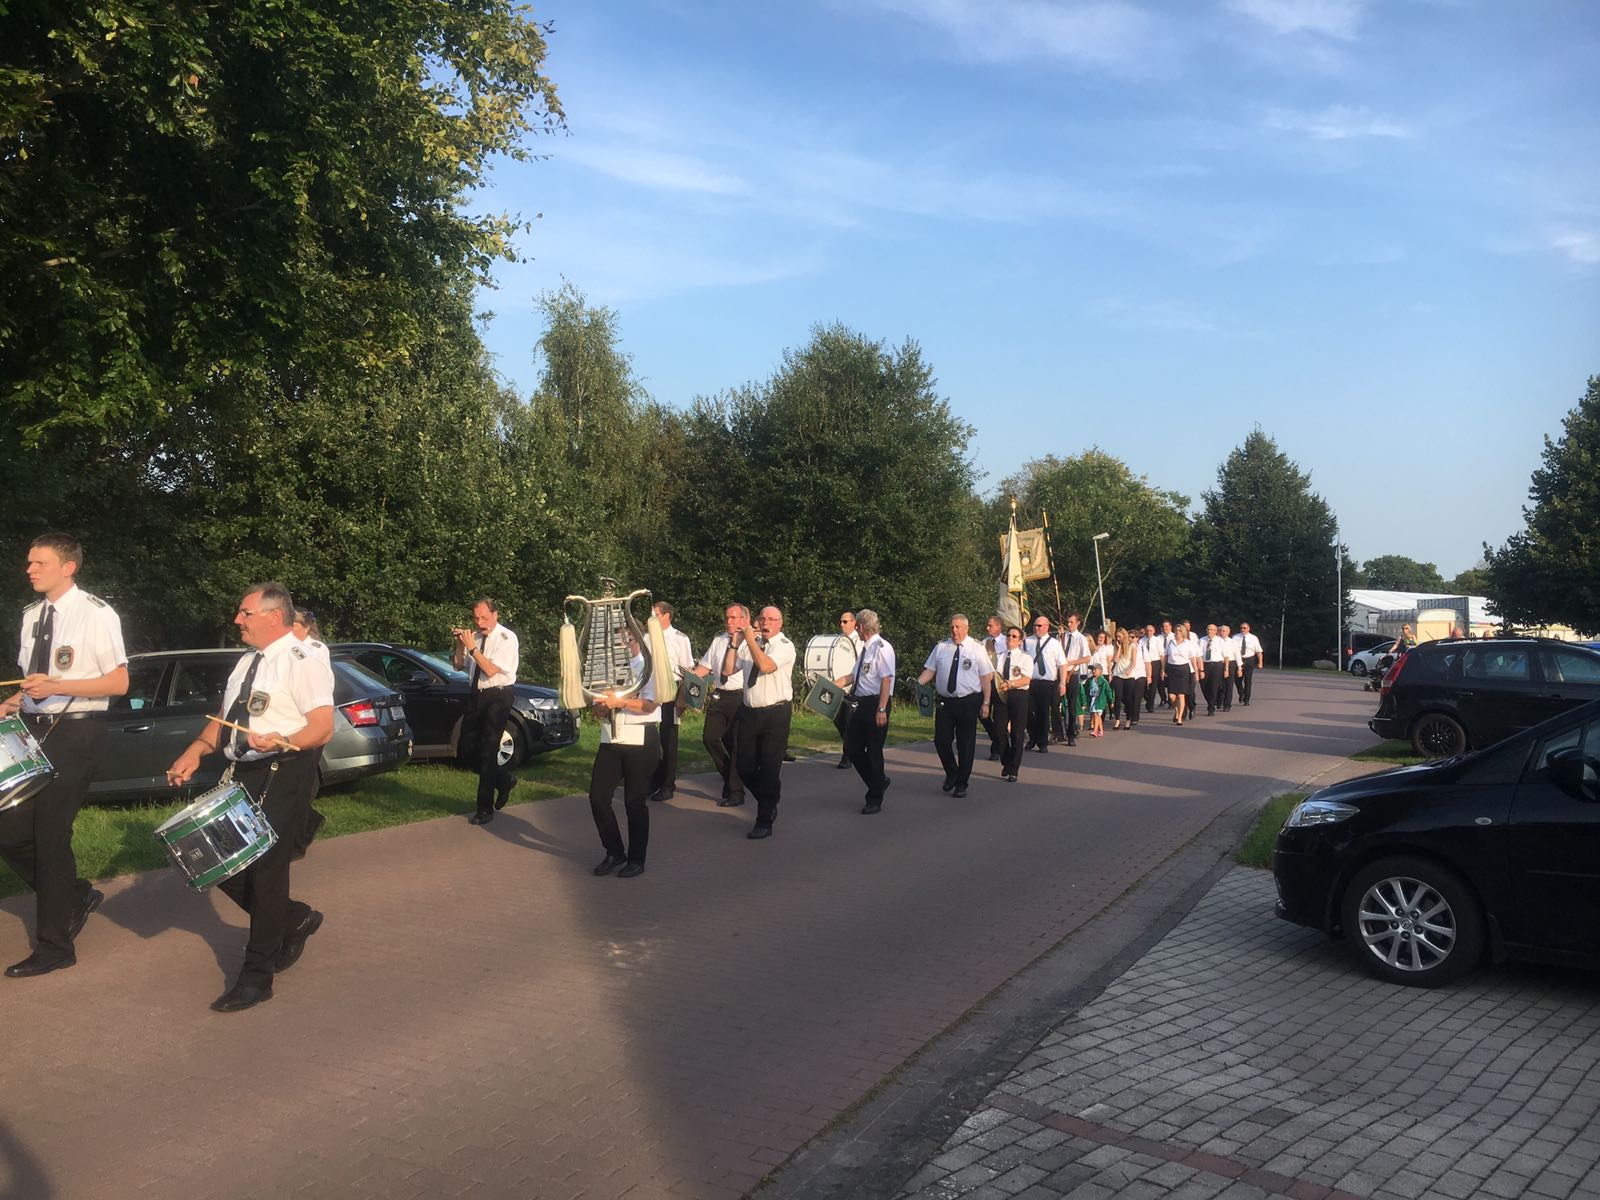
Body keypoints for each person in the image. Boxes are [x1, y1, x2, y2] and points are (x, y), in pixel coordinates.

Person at [165, 582, 331, 1012]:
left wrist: (282, 739)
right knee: (213, 861)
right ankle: (292, 918)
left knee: (266, 874)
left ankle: (257, 977)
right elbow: (226, 718)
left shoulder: (303, 660)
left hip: (284, 770)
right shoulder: (246, 661)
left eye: (245, 613)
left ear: (274, 616)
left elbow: (322, 727)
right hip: (243, 772)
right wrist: (195, 750)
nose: (237, 620)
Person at [0, 533, 128, 978]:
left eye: (39, 563)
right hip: (33, 730)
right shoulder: (31, 616)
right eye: (29, 562)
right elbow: (33, 685)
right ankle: (72, 895)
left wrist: (57, 686)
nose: (29, 570)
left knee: (51, 836)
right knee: (9, 831)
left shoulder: (96, 613)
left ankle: (55, 947)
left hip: (76, 732)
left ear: (67, 567)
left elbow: (118, 683)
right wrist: (12, 702)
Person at [589, 631, 660, 878]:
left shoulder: (649, 667)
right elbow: (597, 710)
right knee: (598, 797)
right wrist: (600, 707)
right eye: (616, 642)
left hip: (641, 738)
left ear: (637, 641)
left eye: (626, 640)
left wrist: (621, 702)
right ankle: (614, 851)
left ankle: (637, 858)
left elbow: (650, 705)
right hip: (612, 737)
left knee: (634, 801)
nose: (621, 646)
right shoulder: (608, 670)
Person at [451, 597, 520, 825]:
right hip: (476, 696)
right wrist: (461, 644)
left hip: (498, 696)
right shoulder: (476, 638)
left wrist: (472, 647)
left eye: (484, 618)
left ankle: (484, 809)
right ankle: (504, 779)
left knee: (489, 750)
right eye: (476, 618)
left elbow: (490, 670)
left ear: (495, 614)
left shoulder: (506, 638)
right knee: (467, 750)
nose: (480, 623)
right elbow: (458, 665)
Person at [918, 614, 994, 799]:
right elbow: (930, 670)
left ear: (966, 628)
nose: (954, 630)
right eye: (952, 627)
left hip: (968, 700)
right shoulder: (941, 647)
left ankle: (961, 783)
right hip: (945, 701)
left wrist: (986, 702)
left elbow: (986, 677)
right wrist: (919, 683)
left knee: (965, 744)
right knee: (941, 740)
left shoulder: (976, 648)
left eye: (958, 627)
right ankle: (952, 772)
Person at [735, 606, 795, 839]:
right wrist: (735, 642)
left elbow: (766, 666)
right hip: (749, 712)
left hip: (775, 713)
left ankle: (764, 821)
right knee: (744, 767)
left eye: (771, 619)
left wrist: (750, 640)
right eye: (762, 618)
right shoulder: (752, 643)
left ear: (780, 623)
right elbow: (728, 670)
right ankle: (770, 798)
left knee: (769, 769)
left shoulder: (784, 646)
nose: (766, 622)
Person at [687, 603, 750, 808]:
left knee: (736, 744)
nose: (729, 621)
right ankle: (730, 778)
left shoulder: (750, 641)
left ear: (743, 619)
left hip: (740, 696)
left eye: (733, 618)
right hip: (719, 695)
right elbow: (705, 667)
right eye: (727, 618)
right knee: (710, 738)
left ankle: (736, 791)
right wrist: (688, 678)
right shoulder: (718, 640)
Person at [838, 609, 894, 813]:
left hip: (876, 703)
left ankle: (874, 799)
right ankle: (878, 781)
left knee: (874, 750)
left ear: (861, 627)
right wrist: (833, 685)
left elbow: (886, 679)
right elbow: (853, 676)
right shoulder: (865, 649)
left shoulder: (882, 648)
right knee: (853, 748)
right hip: (861, 703)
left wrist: (881, 709)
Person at [289, 606, 330, 858]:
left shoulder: (315, 650)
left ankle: (299, 838)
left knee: (301, 785)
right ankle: (301, 830)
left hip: (310, 724)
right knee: (295, 786)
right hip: (292, 724)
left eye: (293, 624)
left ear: (305, 628)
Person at [647, 601, 694, 803]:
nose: (651, 618)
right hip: (650, 687)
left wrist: (683, 698)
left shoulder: (679, 638)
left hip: (671, 687)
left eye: (655, 614)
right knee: (649, 737)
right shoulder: (647, 637)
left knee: (668, 737)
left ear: (666, 616)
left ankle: (668, 784)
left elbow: (688, 669)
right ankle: (653, 778)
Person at [991, 626, 1033, 782]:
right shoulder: (999, 656)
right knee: (999, 730)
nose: (1010, 638)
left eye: (1014, 636)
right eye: (1008, 635)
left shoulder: (1025, 658)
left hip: (1018, 695)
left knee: (1017, 733)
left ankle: (1014, 768)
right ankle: (1006, 760)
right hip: (1001, 695)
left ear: (1020, 641)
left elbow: (1026, 679)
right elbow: (993, 675)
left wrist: (1010, 683)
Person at [1022, 615, 1067, 752]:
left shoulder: (1054, 643)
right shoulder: (1027, 642)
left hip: (1047, 683)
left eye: (1039, 625)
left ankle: (1042, 742)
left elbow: (1062, 664)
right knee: (1027, 711)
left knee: (1043, 713)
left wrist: (1062, 683)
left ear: (1047, 627)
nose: (1036, 628)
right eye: (1035, 625)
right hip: (1030, 681)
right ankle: (1033, 737)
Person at [832, 610, 863, 769]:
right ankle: (853, 747)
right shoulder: (839, 641)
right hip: (840, 686)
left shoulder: (860, 642)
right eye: (841, 621)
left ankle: (847, 755)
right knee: (837, 719)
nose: (841, 624)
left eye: (845, 621)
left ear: (854, 623)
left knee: (849, 721)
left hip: (854, 687)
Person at [1057, 614, 1093, 747]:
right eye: (1068, 622)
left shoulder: (1080, 638)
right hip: (1059, 673)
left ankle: (1071, 734)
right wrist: (1060, 636)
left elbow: (1087, 657)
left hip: (1072, 673)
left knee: (1072, 705)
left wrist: (1071, 662)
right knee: (1057, 704)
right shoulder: (1062, 636)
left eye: (1071, 622)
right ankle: (1059, 732)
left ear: (1077, 623)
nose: (1069, 624)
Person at [1110, 628, 1147, 730]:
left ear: (1124, 636)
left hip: (1129, 675)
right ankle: (1117, 720)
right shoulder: (1116, 646)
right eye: (1116, 637)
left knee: (1128, 698)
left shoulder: (1132, 646)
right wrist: (1119, 648)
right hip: (1118, 674)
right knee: (1118, 697)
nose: (1118, 639)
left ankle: (1128, 719)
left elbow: (1133, 662)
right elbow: (1115, 660)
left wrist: (1129, 670)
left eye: (1119, 636)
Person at [980, 615, 1006, 760]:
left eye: (990, 625)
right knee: (982, 713)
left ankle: (996, 749)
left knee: (998, 717)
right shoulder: (984, 643)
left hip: (1000, 683)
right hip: (986, 682)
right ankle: (996, 737)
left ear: (998, 627)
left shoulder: (1006, 641)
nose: (987, 628)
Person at [1163, 623, 1196, 725]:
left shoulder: (1188, 643)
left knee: (1181, 694)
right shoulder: (1170, 642)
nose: (1178, 632)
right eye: (1176, 630)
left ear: (1183, 632)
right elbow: (1165, 656)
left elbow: (1192, 658)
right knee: (1172, 695)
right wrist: (1163, 669)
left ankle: (1180, 718)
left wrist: (1196, 671)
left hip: (1183, 669)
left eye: (1180, 631)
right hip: (1172, 669)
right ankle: (1176, 711)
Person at [1200, 623, 1228, 716]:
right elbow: (1198, 655)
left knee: (1214, 686)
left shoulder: (1220, 641)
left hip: (1216, 665)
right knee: (1204, 686)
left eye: (1212, 630)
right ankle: (1210, 701)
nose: (1209, 631)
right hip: (1205, 664)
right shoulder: (1202, 640)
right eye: (1208, 629)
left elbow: (1226, 656)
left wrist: (1226, 669)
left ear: (1216, 631)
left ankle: (1211, 707)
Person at [1235, 622, 1264, 705]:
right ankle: (1241, 693)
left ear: (1248, 629)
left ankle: (1246, 699)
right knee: (1237, 679)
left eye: (1244, 628)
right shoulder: (1235, 637)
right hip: (1238, 659)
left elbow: (1258, 651)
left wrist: (1260, 662)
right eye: (1241, 628)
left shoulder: (1253, 638)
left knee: (1248, 680)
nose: (1242, 629)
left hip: (1249, 660)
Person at [1081, 663, 1111, 737]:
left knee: (1096, 715)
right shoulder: (1090, 680)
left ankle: (1095, 730)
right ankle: (1101, 731)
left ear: (1100, 671)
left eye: (1095, 669)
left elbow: (1108, 690)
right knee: (1098, 716)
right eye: (1092, 670)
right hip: (1093, 700)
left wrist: (1111, 700)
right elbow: (1085, 688)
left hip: (1100, 700)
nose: (1093, 671)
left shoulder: (1103, 681)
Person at [1216, 624, 1240, 712]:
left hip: (1230, 663)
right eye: (1220, 631)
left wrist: (1239, 667)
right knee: (1219, 684)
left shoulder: (1232, 642)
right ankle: (1219, 701)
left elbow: (1237, 654)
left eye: (1224, 631)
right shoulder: (1216, 641)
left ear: (1228, 632)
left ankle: (1227, 704)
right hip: (1219, 663)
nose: (1222, 632)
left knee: (1228, 685)